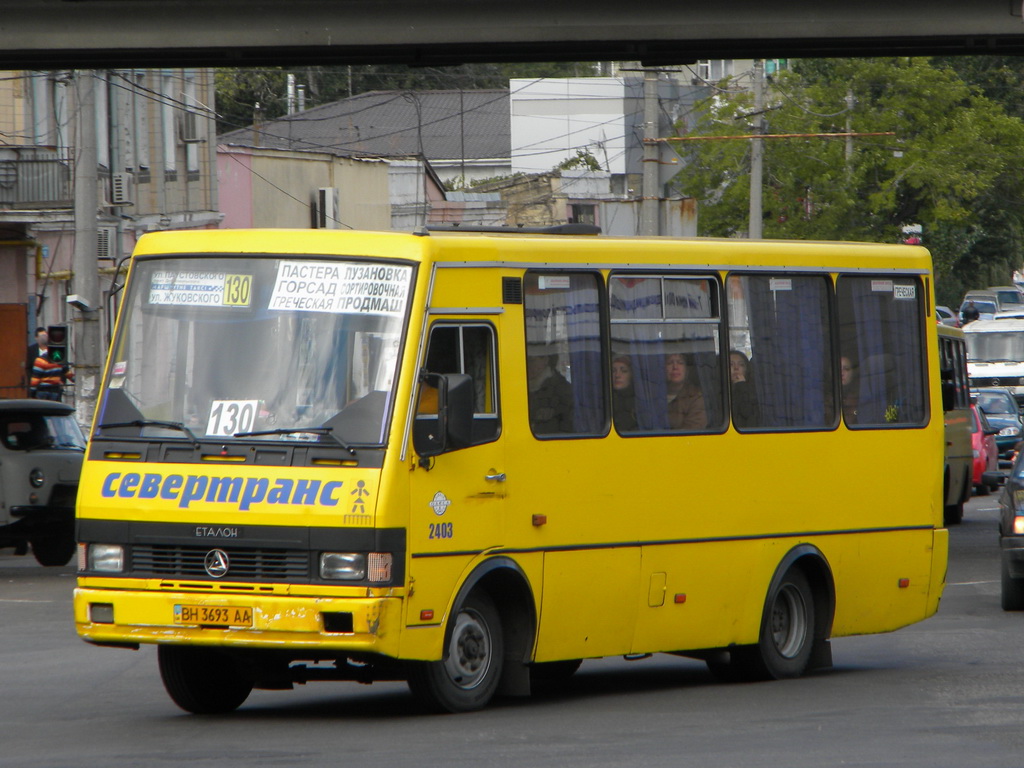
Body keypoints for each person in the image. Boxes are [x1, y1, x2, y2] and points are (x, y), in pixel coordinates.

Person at [527, 352, 574, 434]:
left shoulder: (561, 389)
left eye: (531, 360)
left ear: (545, 360)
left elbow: (568, 423)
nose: (528, 364)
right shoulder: (521, 385)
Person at [28, 327, 72, 402]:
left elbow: (35, 379)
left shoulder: (40, 361)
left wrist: (32, 392)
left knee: (42, 409)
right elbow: (67, 371)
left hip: (43, 390)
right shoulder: (57, 356)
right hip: (54, 390)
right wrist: (74, 379)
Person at [665, 352, 707, 430]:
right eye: (670, 363)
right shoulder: (651, 395)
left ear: (686, 370)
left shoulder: (696, 396)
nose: (675, 367)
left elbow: (694, 429)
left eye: (680, 363)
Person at [729, 350, 760, 428]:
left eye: (741, 365)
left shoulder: (754, 391)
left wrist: (741, 386)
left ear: (746, 369)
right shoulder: (716, 392)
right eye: (731, 364)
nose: (736, 368)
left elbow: (747, 412)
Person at [611, 355, 637, 431]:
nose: (617, 375)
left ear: (631, 375)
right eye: (613, 371)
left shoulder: (639, 401)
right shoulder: (603, 401)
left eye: (624, 371)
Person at [840, 355, 858, 424]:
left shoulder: (860, 397)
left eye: (846, 369)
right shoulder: (826, 399)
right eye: (838, 369)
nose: (842, 373)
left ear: (852, 373)